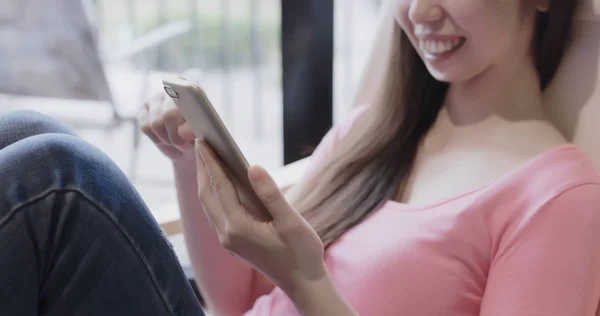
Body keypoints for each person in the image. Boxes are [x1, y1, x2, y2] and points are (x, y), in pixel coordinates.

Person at [1, 1, 599, 316]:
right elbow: (234, 301)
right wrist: (191, 163)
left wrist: (307, 279)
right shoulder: (378, 132)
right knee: (26, 132)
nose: (419, 11)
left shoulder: (558, 202)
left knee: (56, 182)